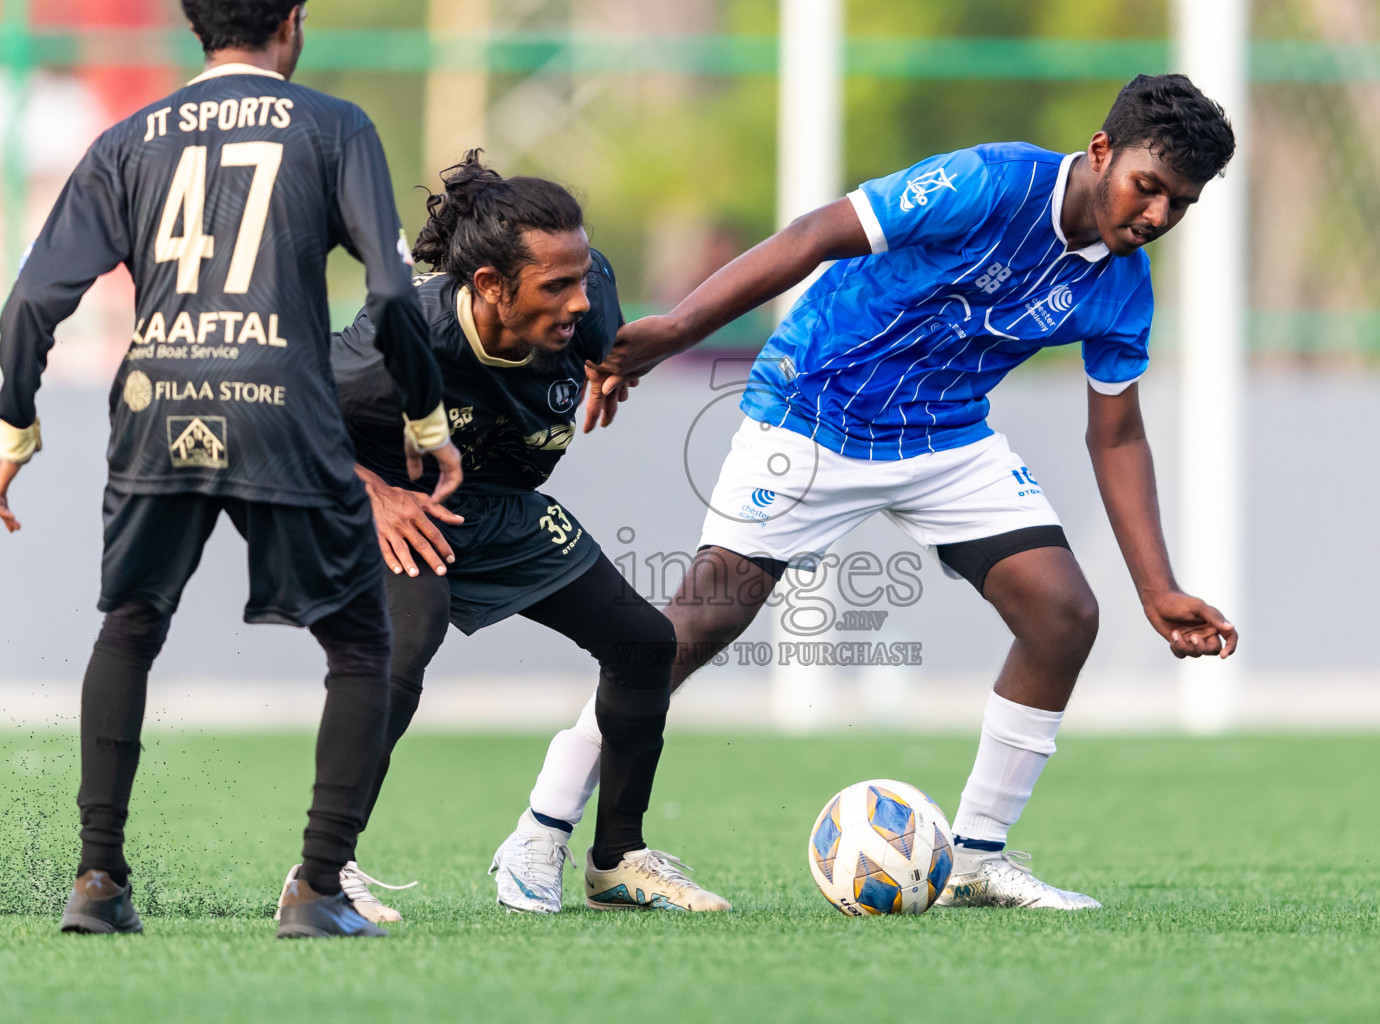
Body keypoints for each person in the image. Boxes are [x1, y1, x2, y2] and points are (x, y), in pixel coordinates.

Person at [500, 73, 1241, 910]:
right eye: (1149, 188)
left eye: (1179, 205)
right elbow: (817, 233)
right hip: (812, 410)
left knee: (1064, 615)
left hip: (944, 437)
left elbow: (1118, 434)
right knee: (686, 633)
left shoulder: (1121, 285)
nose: (1155, 216)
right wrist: (675, 330)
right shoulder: (993, 182)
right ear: (1102, 152)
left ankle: (976, 859)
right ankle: (539, 831)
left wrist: (1158, 588)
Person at [0, 0, 462, 938]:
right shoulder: (334, 126)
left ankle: (96, 882)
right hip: (281, 405)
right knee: (361, 647)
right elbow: (386, 288)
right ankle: (319, 890)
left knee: (129, 627)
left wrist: (12, 430)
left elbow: (34, 297)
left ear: (194, 27)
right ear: (293, 21)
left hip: (154, 404)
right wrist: (425, 415)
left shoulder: (129, 137)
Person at [326, 153, 728, 918]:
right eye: (556, 287)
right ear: (488, 286)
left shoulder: (588, 296)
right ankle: (321, 871)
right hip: (395, 502)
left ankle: (618, 861)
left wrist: (610, 364)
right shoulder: (398, 338)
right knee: (403, 647)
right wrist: (374, 494)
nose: (579, 299)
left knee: (643, 643)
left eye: (581, 279)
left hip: (498, 504)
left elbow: (593, 299)